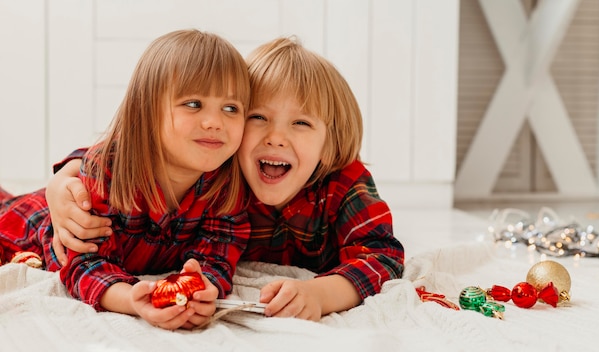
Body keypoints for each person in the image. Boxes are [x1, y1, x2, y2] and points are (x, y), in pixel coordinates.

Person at [46, 36, 405, 322]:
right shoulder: (222, 169)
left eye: (301, 123)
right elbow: (127, 152)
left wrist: (322, 294)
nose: (276, 138)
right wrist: (63, 177)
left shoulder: (340, 185)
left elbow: (383, 254)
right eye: (259, 117)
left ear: (331, 142)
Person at [0, 29, 251, 330]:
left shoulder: (227, 185)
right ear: (147, 111)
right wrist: (131, 299)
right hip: (25, 230)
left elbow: (217, 257)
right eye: (193, 104)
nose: (215, 122)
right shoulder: (108, 171)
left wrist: (203, 288)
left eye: (231, 108)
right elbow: (82, 263)